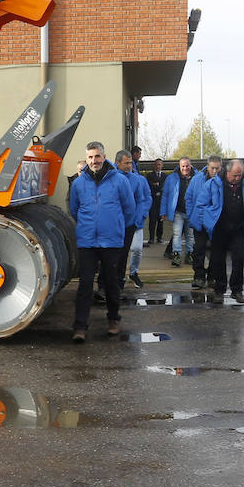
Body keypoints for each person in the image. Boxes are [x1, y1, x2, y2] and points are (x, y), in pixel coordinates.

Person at [68, 141, 137, 342]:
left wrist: (115, 227)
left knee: (112, 283)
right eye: (90, 157)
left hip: (111, 241)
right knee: (85, 285)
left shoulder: (120, 181)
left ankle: (114, 320)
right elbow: (74, 209)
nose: (94, 160)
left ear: (104, 157)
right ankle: (80, 327)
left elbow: (129, 210)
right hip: (88, 241)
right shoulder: (79, 183)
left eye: (97, 156)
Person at [198, 159, 244, 301]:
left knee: (239, 258)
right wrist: (208, 221)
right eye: (234, 175)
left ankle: (237, 290)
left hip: (238, 228)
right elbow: (201, 205)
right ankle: (219, 289)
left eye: (239, 175)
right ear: (227, 171)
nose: (237, 178)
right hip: (219, 228)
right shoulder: (212, 184)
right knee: (218, 260)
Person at [115, 149, 152, 289]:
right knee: (119, 254)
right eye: (126, 163)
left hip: (134, 223)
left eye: (131, 163)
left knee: (136, 249)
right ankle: (118, 279)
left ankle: (133, 273)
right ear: (118, 163)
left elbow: (143, 200)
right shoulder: (111, 178)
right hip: (117, 224)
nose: (129, 165)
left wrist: (138, 218)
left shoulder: (138, 180)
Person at [185, 154, 222, 288]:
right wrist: (191, 215)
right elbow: (188, 197)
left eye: (217, 168)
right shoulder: (197, 179)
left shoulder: (223, 182)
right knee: (199, 249)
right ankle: (199, 276)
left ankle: (212, 276)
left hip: (216, 223)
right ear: (208, 166)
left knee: (215, 251)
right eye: (212, 168)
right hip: (199, 220)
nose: (215, 171)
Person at [160, 158, 194, 265]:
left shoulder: (197, 178)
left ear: (190, 165)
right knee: (177, 234)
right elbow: (165, 195)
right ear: (179, 166)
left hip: (191, 212)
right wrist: (163, 212)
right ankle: (176, 255)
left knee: (190, 235)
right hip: (177, 212)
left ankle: (190, 255)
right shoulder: (171, 178)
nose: (185, 168)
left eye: (187, 166)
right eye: (183, 166)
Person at [146, 158, 167, 244]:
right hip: (153, 201)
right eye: (156, 164)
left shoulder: (165, 176)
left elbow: (164, 187)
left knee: (160, 220)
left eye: (159, 164)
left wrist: (157, 184)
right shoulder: (149, 175)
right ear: (154, 165)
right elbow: (149, 186)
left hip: (161, 201)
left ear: (162, 165)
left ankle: (159, 237)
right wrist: (157, 185)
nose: (158, 166)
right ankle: (151, 238)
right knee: (152, 220)